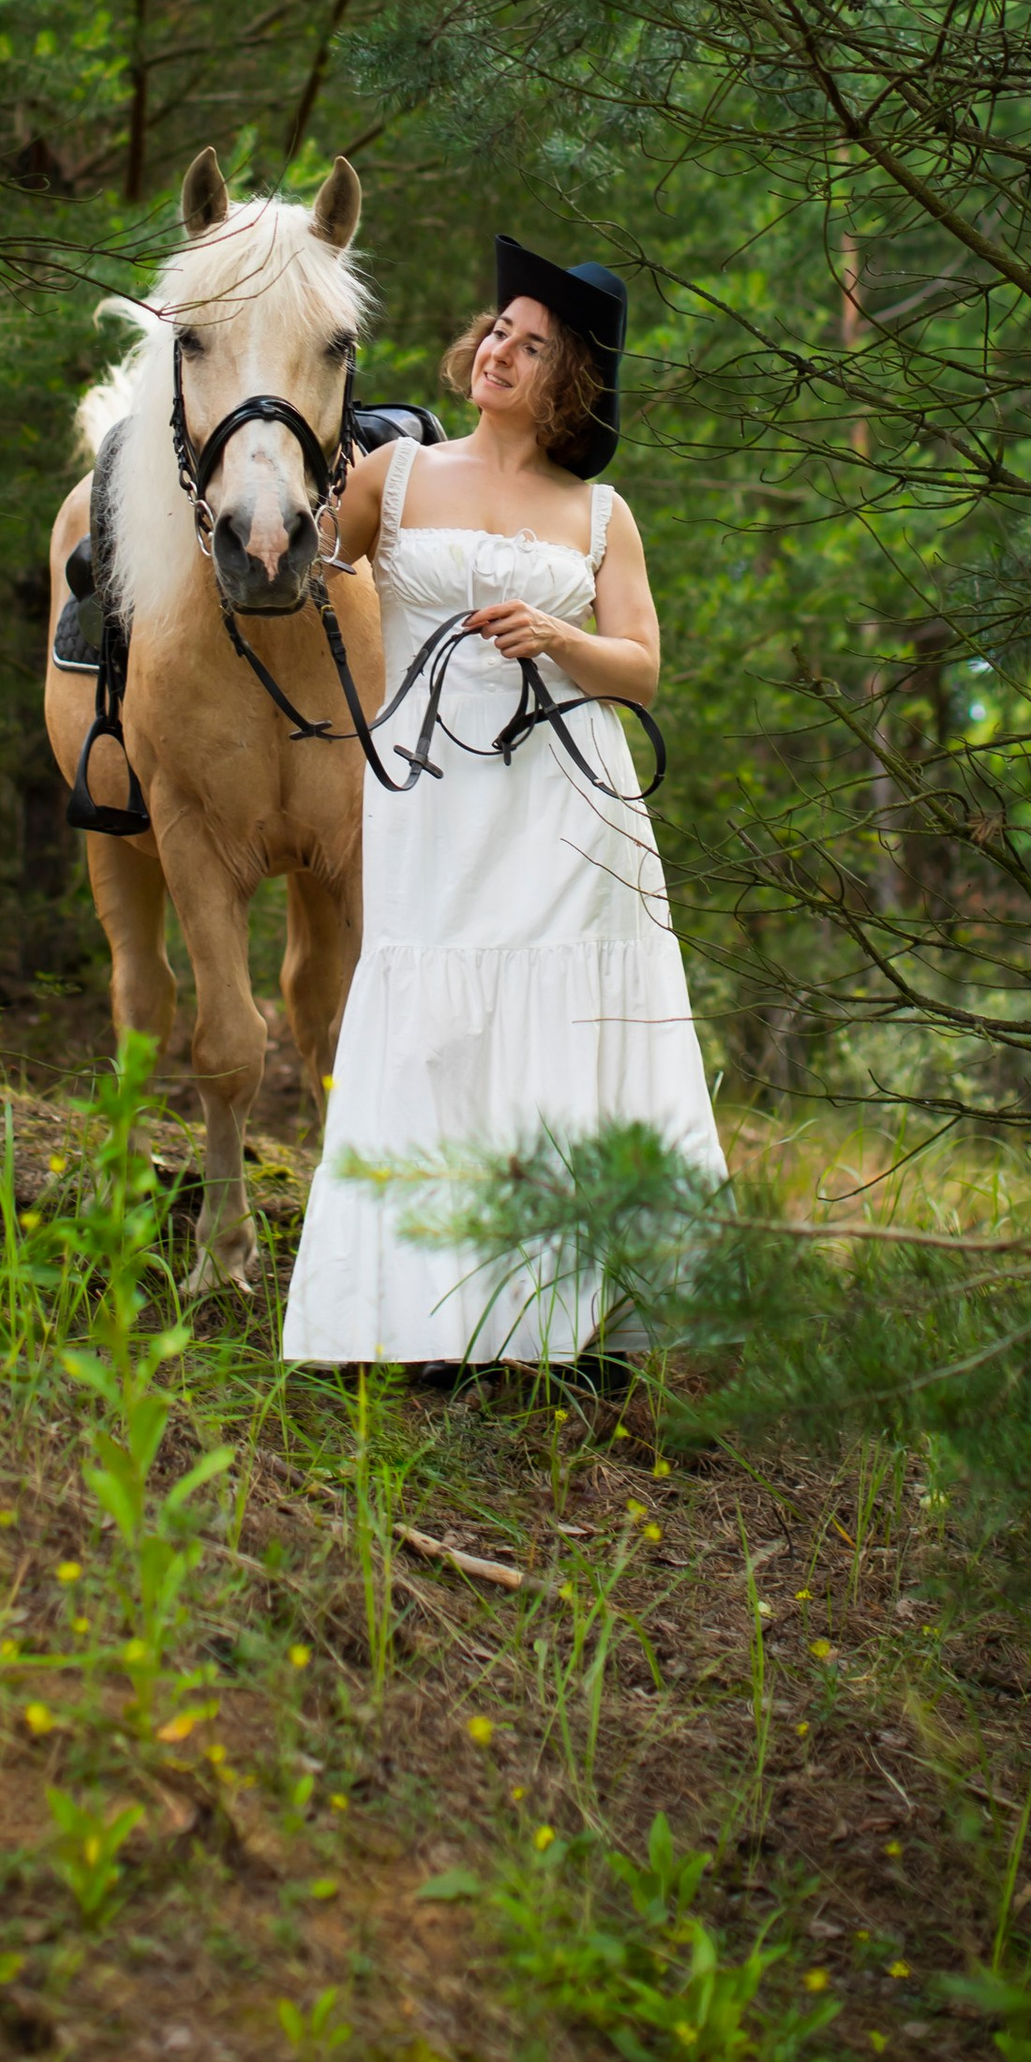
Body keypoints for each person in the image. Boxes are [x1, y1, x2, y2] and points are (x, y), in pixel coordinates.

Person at [280, 233, 727, 1371]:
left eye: (528, 347)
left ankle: (575, 1319)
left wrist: (562, 635)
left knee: (566, 1021)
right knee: (432, 1016)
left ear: (563, 380)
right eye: (495, 332)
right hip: (434, 791)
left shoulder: (598, 514)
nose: (497, 351)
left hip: (568, 805)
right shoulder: (399, 476)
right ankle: (425, 1316)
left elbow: (640, 670)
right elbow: (293, 557)